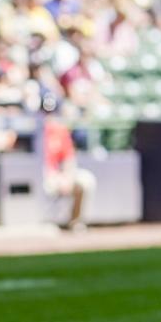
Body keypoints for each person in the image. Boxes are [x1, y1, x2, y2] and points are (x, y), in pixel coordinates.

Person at [42, 99, 96, 231]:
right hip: (43, 176)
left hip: (59, 175)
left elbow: (69, 159)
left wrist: (67, 176)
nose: (49, 116)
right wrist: (54, 176)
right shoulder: (36, 130)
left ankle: (75, 221)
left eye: (52, 112)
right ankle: (44, 222)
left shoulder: (60, 130)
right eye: (45, 112)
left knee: (85, 180)